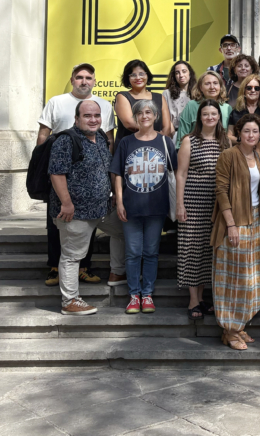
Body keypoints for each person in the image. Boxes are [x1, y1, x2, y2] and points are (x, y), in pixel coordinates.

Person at [36, 63, 116, 286]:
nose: (84, 81)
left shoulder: (104, 105)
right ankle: (55, 268)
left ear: (94, 81)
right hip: (60, 174)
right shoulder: (57, 102)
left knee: (86, 226)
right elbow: (43, 134)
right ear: (72, 80)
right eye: (79, 77)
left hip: (90, 184)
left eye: (88, 77)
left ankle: (84, 268)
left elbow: (108, 140)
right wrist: (41, 166)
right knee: (58, 222)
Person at [110, 98, 177, 315]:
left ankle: (147, 294)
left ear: (156, 116)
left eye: (149, 112)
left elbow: (176, 173)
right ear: (136, 117)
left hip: (157, 208)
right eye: (140, 113)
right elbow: (117, 173)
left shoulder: (166, 142)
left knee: (150, 252)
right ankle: (133, 295)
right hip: (131, 206)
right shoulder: (126, 142)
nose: (145, 116)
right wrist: (119, 201)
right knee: (132, 252)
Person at [48, 100, 112, 315]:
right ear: (77, 118)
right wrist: (66, 203)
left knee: (122, 233)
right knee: (72, 255)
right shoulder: (67, 141)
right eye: (87, 116)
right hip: (75, 212)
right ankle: (70, 301)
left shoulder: (101, 137)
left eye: (96, 115)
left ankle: (119, 274)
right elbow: (56, 173)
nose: (93, 119)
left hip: (100, 209)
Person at [211, 114, 260, 350]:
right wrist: (231, 224)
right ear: (239, 133)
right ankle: (230, 328)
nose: (251, 135)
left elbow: (253, 188)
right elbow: (221, 191)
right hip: (235, 222)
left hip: (255, 221)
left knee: (251, 279)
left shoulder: (256, 155)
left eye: (255, 132)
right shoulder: (228, 155)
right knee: (232, 278)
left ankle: (238, 325)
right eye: (246, 131)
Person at [175, 100, 225, 320]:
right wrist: (179, 203)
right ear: (200, 117)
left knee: (208, 251)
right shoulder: (190, 140)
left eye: (214, 114)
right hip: (193, 202)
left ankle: (203, 298)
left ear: (219, 117)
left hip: (216, 204)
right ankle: (193, 300)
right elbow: (181, 174)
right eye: (206, 114)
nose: (210, 117)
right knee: (192, 248)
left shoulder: (225, 142)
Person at [115, 59, 173, 139]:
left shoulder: (160, 97)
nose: (138, 78)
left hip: (157, 146)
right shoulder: (122, 96)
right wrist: (155, 134)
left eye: (141, 74)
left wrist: (161, 138)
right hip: (130, 146)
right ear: (127, 78)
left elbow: (167, 128)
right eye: (133, 75)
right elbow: (129, 123)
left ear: (147, 75)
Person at [175, 71, 231, 147]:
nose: (212, 87)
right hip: (195, 152)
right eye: (207, 83)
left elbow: (229, 136)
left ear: (220, 87)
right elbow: (182, 135)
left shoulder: (227, 108)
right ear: (201, 87)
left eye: (215, 83)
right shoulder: (191, 106)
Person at [227, 75, 260, 146]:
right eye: (249, 88)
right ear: (243, 90)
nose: (253, 91)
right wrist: (245, 140)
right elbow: (229, 136)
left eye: (257, 88)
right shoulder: (236, 112)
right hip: (240, 151)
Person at [162, 61, 197, 133]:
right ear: (174, 76)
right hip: (174, 133)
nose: (181, 75)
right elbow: (163, 115)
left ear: (190, 73)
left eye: (184, 71)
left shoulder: (198, 93)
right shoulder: (167, 93)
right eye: (177, 73)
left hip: (193, 134)